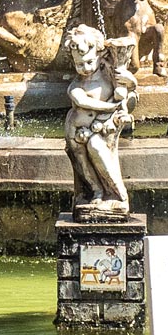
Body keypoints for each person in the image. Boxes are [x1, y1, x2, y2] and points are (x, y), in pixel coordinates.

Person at [63, 23, 131, 217]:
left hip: (100, 129)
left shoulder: (109, 75)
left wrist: (126, 81)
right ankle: (97, 192)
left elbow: (129, 89)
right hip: (76, 131)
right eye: (79, 64)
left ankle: (118, 196)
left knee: (97, 149)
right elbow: (81, 100)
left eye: (89, 62)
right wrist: (111, 107)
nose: (84, 68)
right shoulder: (76, 85)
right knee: (83, 165)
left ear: (100, 56)